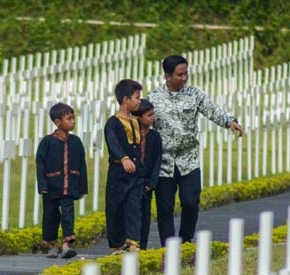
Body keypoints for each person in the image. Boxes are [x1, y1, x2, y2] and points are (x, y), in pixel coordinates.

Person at [149, 55, 244, 245]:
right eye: (180, 75)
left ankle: (185, 241)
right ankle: (168, 247)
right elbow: (144, 121)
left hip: (188, 159)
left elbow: (212, 110)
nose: (184, 78)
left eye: (186, 73)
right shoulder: (153, 97)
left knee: (191, 202)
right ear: (168, 76)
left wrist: (229, 122)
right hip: (164, 162)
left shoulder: (194, 94)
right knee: (165, 208)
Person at [35, 102, 88, 258]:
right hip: (51, 187)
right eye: (69, 119)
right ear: (58, 122)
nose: (73, 122)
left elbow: (82, 165)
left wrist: (82, 187)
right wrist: (42, 185)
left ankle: (66, 245)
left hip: (69, 187)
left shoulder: (76, 142)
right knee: (50, 216)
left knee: (68, 215)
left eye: (73, 118)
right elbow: (40, 165)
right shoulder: (47, 142)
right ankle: (52, 246)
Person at [104, 79, 144, 254]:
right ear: (125, 99)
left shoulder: (136, 121)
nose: (139, 101)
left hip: (135, 173)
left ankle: (133, 241)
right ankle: (116, 244)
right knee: (116, 207)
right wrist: (123, 158)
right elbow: (112, 142)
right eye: (137, 97)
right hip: (119, 172)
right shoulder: (113, 122)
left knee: (134, 207)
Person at [133, 98, 162, 250]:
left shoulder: (155, 136)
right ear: (138, 117)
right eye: (149, 115)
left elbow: (158, 160)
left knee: (145, 216)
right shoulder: (131, 135)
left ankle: (142, 247)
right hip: (133, 182)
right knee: (133, 215)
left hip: (147, 184)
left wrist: (152, 182)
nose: (152, 118)